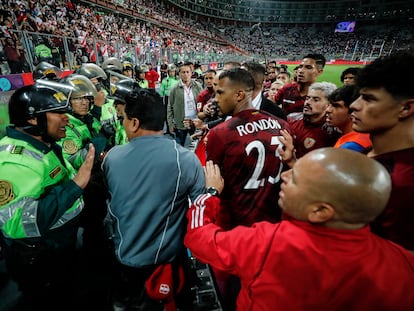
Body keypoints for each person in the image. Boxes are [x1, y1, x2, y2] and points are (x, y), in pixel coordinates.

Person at [185, 149, 414, 311]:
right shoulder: (403, 263)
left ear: (320, 211)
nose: (283, 176)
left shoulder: (268, 243)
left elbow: (200, 238)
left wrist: (211, 194)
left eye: (294, 179)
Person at [102, 88, 205, 311]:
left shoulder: (111, 158)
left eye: (124, 119)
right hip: (166, 265)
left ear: (134, 123)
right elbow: (200, 213)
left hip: (123, 261)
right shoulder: (186, 160)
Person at [0, 80, 95, 311]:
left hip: (59, 246)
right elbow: (16, 224)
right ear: (33, 119)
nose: (66, 118)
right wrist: (76, 185)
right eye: (57, 113)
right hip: (41, 260)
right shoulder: (16, 161)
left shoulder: (44, 143)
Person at [350, 52, 414, 252]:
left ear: (405, 108)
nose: (354, 105)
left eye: (368, 99)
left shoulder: (404, 182)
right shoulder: (371, 153)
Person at [289, 82, 339, 159]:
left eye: (315, 100)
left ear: (329, 105)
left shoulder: (332, 132)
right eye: (308, 98)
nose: (308, 102)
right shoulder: (291, 118)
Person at [275, 54, 325, 118]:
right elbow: (273, 104)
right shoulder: (287, 89)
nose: (301, 71)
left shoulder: (322, 96)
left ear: (319, 72)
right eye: (300, 66)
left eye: (308, 67)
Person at [326, 84, 371, 152]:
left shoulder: (351, 146)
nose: (328, 110)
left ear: (353, 110)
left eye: (336, 106)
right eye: (329, 105)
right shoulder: (364, 135)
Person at [167, 62, 203, 146]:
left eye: (187, 72)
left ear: (191, 73)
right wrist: (170, 124)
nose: (185, 74)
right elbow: (169, 107)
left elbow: (203, 102)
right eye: (183, 72)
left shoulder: (197, 86)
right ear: (179, 74)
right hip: (180, 123)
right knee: (179, 147)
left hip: (195, 121)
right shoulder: (174, 89)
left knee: (197, 146)